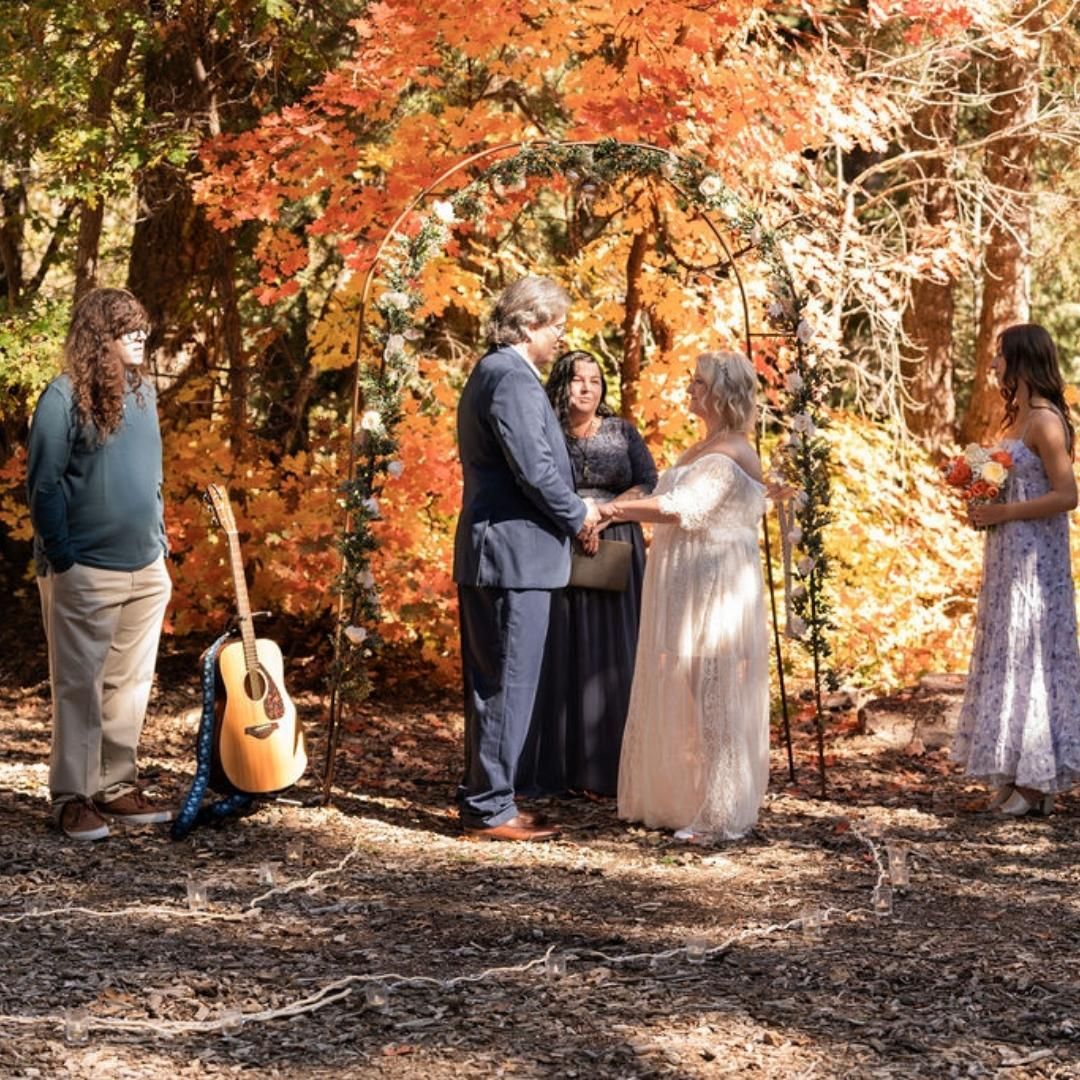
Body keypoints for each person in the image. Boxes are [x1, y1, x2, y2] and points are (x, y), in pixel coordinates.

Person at [453, 278, 601, 841]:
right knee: (507, 682)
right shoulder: (509, 378)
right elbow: (534, 468)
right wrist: (579, 514)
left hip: (504, 553)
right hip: (512, 554)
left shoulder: (499, 373)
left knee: (496, 680)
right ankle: (489, 809)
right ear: (527, 325)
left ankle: (485, 795)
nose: (561, 335)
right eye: (555, 325)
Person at [601, 351, 770, 842]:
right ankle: (697, 797)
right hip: (687, 579)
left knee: (714, 693)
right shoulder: (705, 445)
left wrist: (615, 511)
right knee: (697, 690)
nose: (690, 388)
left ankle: (722, 814)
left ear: (722, 393)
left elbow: (683, 507)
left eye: (698, 382)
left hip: (715, 583)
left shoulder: (734, 449)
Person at [27, 287, 173, 841]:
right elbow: (42, 485)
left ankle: (114, 786)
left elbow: (151, 478)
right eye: (127, 328)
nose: (141, 336)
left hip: (145, 569)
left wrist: (159, 547)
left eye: (142, 327)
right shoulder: (62, 398)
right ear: (99, 336)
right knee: (78, 686)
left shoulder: (144, 394)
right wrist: (64, 558)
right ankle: (72, 797)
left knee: (129, 683)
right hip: (83, 569)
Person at [953, 323, 1080, 816]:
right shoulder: (1016, 417)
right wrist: (981, 495)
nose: (994, 362)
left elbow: (1068, 495)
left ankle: (1036, 782)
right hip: (1007, 557)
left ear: (1023, 360)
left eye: (1000, 355)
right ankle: (1014, 771)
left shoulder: (1046, 420)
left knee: (1034, 655)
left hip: (1037, 560)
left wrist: (1003, 512)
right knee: (1008, 654)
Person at [518, 350, 657, 797]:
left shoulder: (622, 431)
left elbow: (647, 481)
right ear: (561, 384)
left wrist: (602, 518)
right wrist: (576, 521)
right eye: (578, 380)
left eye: (595, 381)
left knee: (615, 653)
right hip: (560, 543)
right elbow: (538, 485)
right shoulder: (546, 433)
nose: (587, 388)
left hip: (617, 544)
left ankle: (611, 769)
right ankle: (557, 769)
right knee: (561, 651)